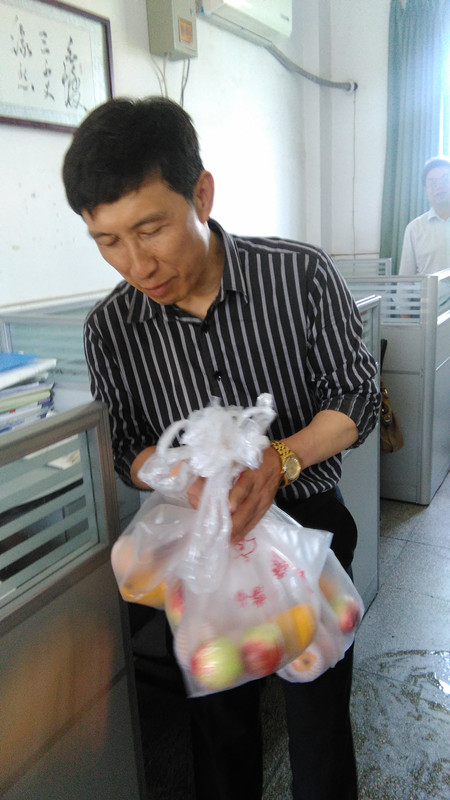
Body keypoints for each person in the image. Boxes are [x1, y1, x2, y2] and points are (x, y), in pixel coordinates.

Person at [62, 96, 380, 800]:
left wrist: (280, 459)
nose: (136, 263)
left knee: (319, 722)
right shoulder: (110, 328)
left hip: (310, 527)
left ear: (201, 194)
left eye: (151, 229)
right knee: (219, 725)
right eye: (107, 241)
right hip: (202, 545)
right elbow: (128, 445)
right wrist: (181, 477)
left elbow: (356, 397)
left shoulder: (298, 276)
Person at [399, 156, 450, 275]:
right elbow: (406, 278)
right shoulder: (414, 228)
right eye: (433, 182)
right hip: (429, 289)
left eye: (445, 179)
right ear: (426, 190)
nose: (439, 186)